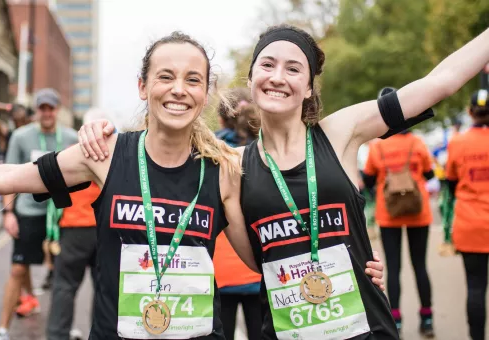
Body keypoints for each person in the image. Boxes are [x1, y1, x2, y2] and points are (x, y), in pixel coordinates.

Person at [0, 32, 384, 340]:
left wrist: (358, 271)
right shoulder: (105, 154)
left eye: (193, 79)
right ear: (143, 86)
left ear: (206, 92)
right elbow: (19, 176)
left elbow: (266, 255)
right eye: (165, 76)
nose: (179, 89)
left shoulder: (223, 167)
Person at [78, 25, 489, 340]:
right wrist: (97, 132)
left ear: (308, 87)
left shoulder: (339, 133)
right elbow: (165, 159)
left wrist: (357, 261)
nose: (278, 77)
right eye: (267, 65)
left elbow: (441, 83)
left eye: (294, 69)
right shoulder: (231, 165)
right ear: (252, 77)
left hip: (366, 329)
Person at [0, 88, 78, 340]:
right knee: (18, 268)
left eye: (51, 108)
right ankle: (2, 330)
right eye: (43, 108)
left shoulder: (71, 137)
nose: (47, 112)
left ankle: (65, 326)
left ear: (57, 110)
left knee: (65, 274)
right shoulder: (20, 137)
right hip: (28, 212)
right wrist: (8, 213)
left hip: (62, 214)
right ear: (37, 111)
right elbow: (7, 177)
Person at [363, 118, 435, 336]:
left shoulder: (378, 146)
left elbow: (367, 179)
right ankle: (427, 317)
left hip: (389, 213)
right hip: (418, 212)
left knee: (393, 268)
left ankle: (395, 319)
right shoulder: (418, 143)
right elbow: (429, 173)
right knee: (420, 265)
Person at [46, 109, 105, 340]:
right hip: (103, 230)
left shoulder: (71, 154)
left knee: (64, 286)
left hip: (73, 228)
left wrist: (52, 233)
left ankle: (57, 335)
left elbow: (55, 195)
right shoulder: (113, 154)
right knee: (104, 289)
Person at [213, 90, 262, 340]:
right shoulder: (266, 151)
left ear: (221, 120)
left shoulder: (210, 152)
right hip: (260, 260)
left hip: (220, 264)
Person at [445, 89, 489, 340]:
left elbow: (451, 182)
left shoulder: (458, 142)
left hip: (471, 223)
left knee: (475, 286)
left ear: (471, 112)